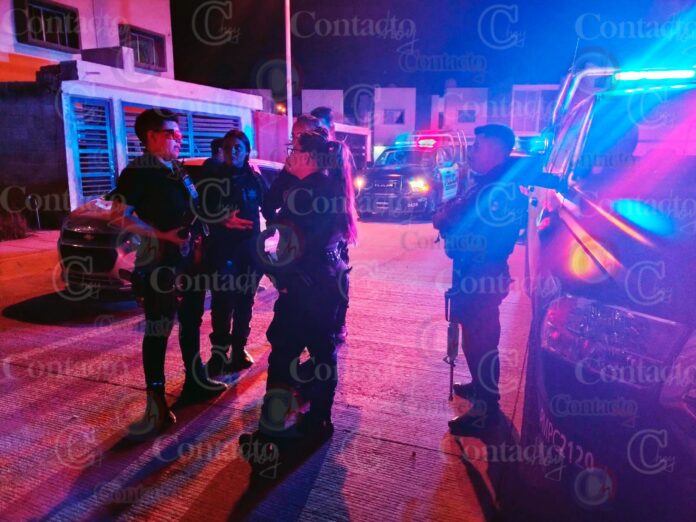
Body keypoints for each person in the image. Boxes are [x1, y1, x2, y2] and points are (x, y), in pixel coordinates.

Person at [109, 108, 226, 436]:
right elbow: (119, 215)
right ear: (150, 136)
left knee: (191, 320)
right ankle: (156, 404)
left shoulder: (176, 169)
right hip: (159, 263)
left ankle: (195, 380)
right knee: (158, 329)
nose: (179, 138)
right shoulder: (137, 172)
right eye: (171, 133)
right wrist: (161, 235)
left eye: (179, 133)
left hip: (189, 261)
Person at [243, 126, 358, 445]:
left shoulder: (309, 193)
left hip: (307, 287)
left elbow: (288, 244)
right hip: (324, 282)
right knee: (320, 353)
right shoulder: (325, 186)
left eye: (293, 151)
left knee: (287, 355)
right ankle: (316, 420)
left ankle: (274, 429)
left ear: (308, 157)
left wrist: (277, 274)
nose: (289, 156)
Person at [432, 124, 527, 435]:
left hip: (482, 275)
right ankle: (479, 387)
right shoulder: (488, 183)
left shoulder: (496, 191)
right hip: (475, 272)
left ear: (497, 152)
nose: (471, 152)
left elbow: (452, 220)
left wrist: (447, 220)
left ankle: (487, 409)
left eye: (477, 147)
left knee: (481, 341)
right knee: (476, 337)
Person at [179, 129, 266, 381]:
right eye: (228, 147)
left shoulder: (254, 177)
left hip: (250, 252)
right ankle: (218, 354)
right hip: (222, 251)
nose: (233, 152)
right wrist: (220, 219)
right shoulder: (211, 178)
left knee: (245, 301)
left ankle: (239, 349)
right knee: (222, 302)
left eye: (238, 147)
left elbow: (270, 205)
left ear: (246, 151)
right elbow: (197, 209)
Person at [311, 106, 352, 343]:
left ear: (331, 128)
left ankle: (338, 324)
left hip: (335, 233)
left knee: (341, 278)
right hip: (315, 236)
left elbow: (349, 188)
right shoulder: (310, 155)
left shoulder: (336, 153)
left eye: (320, 127)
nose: (317, 133)